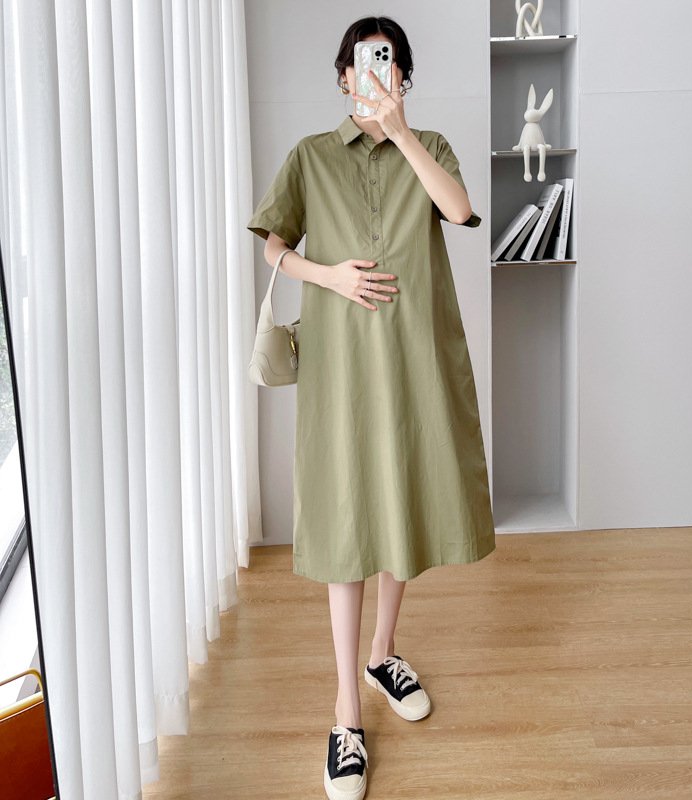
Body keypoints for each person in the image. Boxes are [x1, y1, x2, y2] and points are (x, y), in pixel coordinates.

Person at [247, 15, 496, 800]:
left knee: (401, 506)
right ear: (343, 76)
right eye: (362, 64)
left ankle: (383, 653)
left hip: (414, 363)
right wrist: (330, 277)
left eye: (388, 65)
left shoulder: (433, 147)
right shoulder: (310, 156)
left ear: (402, 78)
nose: (374, 75)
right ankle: (346, 715)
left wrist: (403, 132)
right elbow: (273, 245)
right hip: (342, 370)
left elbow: (459, 211)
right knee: (347, 521)